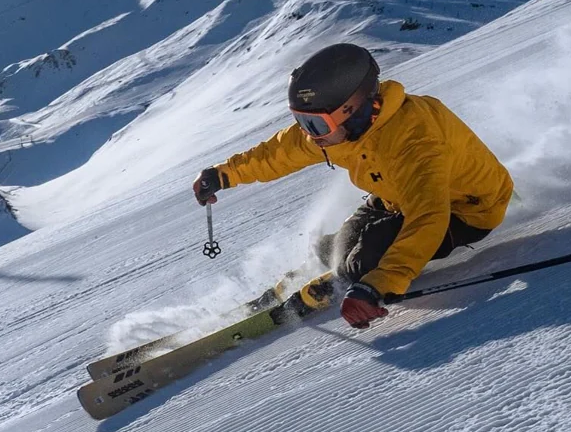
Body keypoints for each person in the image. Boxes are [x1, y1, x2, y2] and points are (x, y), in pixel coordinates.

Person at [192, 43, 513, 329]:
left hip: (465, 209)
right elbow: (279, 152)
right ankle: (308, 277)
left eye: (316, 124)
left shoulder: (414, 140)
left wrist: (377, 285)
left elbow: (429, 218)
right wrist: (223, 174)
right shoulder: (333, 131)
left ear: (354, 110)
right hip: (393, 196)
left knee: (364, 259)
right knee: (332, 249)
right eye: (302, 121)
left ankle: (334, 286)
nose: (309, 134)